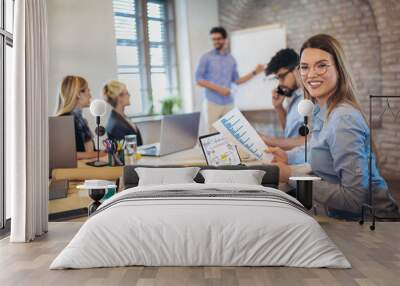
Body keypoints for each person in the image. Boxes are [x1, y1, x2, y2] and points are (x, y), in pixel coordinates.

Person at [267, 34, 399, 218]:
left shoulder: (343, 119)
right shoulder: (323, 110)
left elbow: (355, 200)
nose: (311, 74)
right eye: (305, 67)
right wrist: (287, 156)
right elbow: (317, 145)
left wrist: (291, 175)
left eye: (321, 65)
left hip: (372, 224)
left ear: (338, 69)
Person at [195, 26, 264, 132]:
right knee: (211, 135)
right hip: (212, 102)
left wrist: (255, 72)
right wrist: (219, 89)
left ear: (225, 39)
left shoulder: (231, 59)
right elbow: (198, 79)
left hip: (228, 102)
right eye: (213, 39)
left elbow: (237, 81)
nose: (215, 41)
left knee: (232, 134)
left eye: (218, 38)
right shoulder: (206, 57)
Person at [260, 49, 306, 150]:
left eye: (282, 77)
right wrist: (278, 107)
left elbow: (309, 140)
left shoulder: (311, 98)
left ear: (297, 70)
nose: (280, 83)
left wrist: (269, 141)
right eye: (278, 78)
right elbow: (289, 133)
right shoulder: (295, 97)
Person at [56, 75, 104, 160]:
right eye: (88, 90)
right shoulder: (63, 120)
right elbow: (70, 155)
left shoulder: (80, 120)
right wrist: (100, 154)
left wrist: (104, 152)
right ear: (78, 94)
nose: (90, 95)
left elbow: (89, 151)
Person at [103, 80, 143, 145]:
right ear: (119, 97)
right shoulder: (115, 124)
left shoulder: (122, 117)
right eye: (127, 93)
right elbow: (124, 151)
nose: (129, 95)